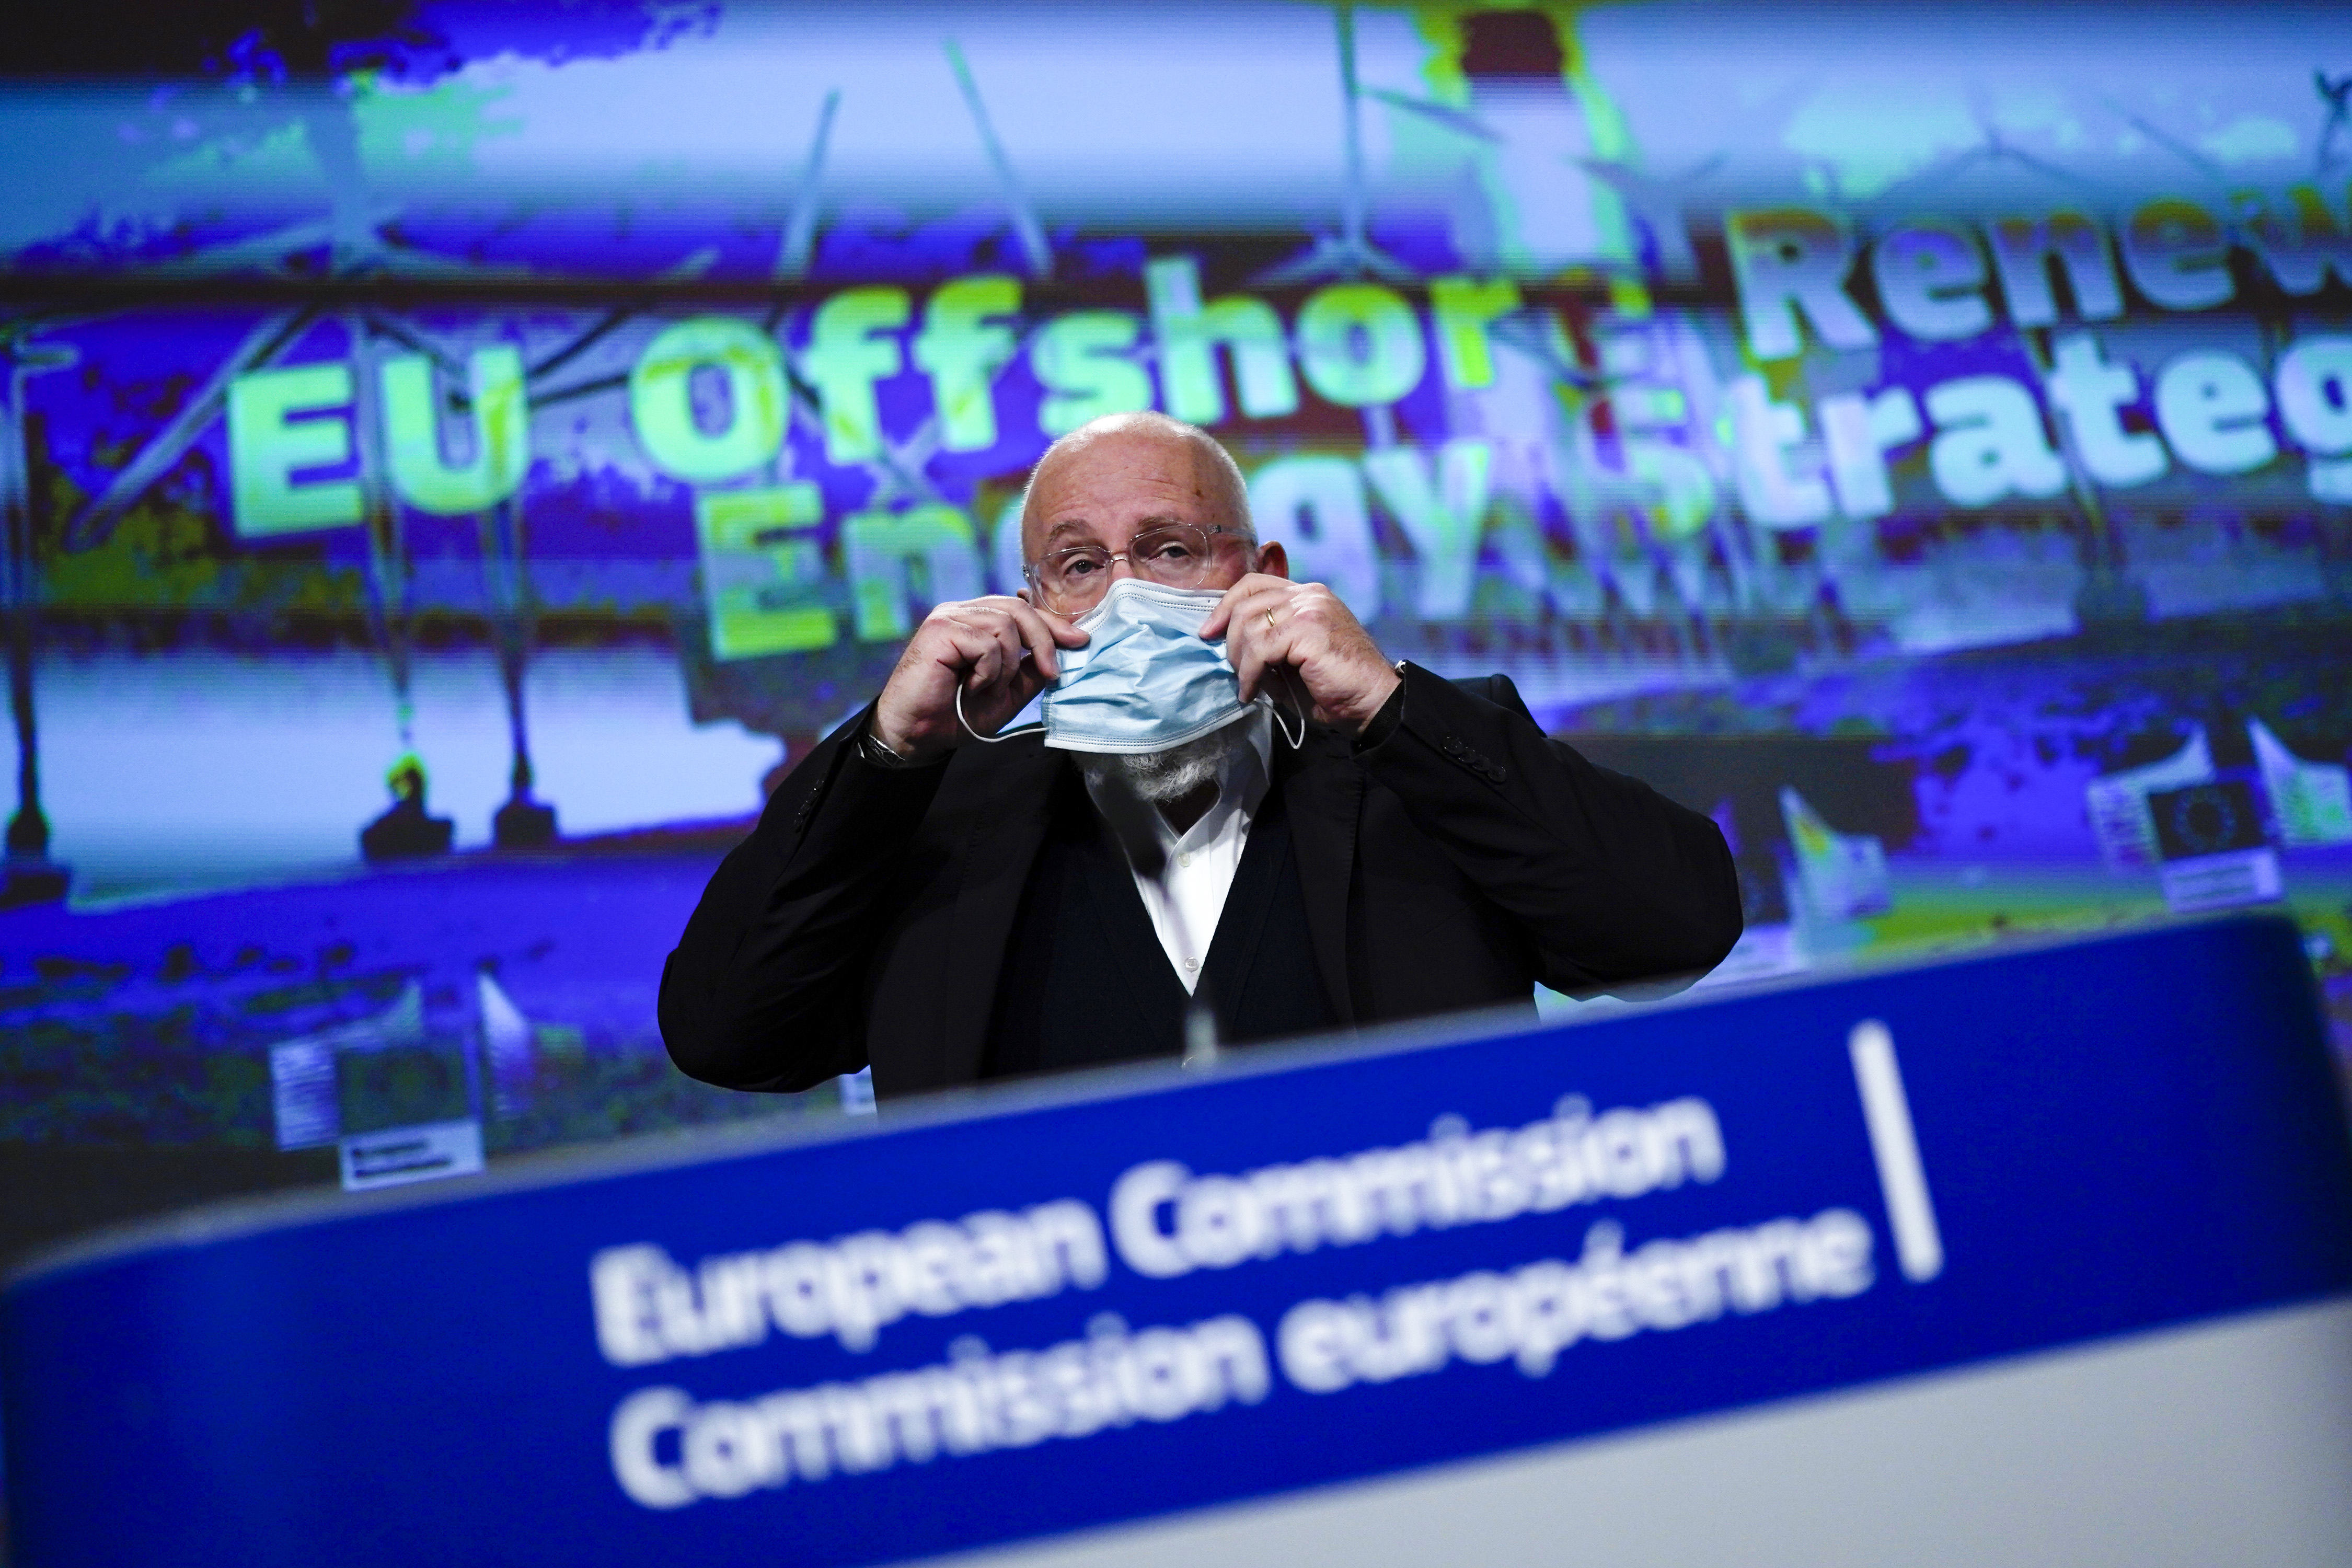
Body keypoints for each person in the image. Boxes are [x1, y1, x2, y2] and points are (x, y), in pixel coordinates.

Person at [661, 412, 1740, 1099]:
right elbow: (726, 1034)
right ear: (1031, 606)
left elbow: (1677, 930)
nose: (1128, 591)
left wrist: (1390, 708)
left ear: (1264, 569)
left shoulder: (1413, 761)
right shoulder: (934, 821)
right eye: (1080, 565)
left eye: (1171, 550)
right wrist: (888, 755)